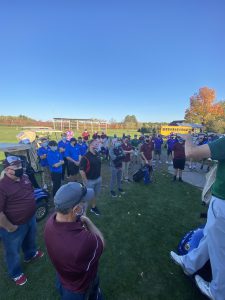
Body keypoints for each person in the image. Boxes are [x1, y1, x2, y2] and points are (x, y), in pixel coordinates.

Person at [170, 135, 225, 300]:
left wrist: (188, 138)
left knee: (219, 250)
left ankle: (218, 292)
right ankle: (189, 263)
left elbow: (192, 153)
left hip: (222, 202)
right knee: (210, 237)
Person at [44, 182, 104, 300]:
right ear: (76, 209)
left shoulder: (50, 223)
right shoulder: (84, 242)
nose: (85, 204)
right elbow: (101, 242)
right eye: (83, 202)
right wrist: (87, 221)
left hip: (63, 279)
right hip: (81, 288)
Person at [0, 156, 44, 286]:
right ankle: (15, 273)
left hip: (30, 218)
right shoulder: (2, 186)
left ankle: (30, 255)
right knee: (12, 251)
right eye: (16, 166)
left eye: (20, 165)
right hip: (13, 225)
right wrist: (9, 227)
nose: (20, 168)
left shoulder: (24, 177)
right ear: (7, 169)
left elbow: (30, 192)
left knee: (30, 240)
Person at [79, 140, 102, 216]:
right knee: (86, 198)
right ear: (90, 145)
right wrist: (86, 181)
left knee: (95, 195)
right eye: (96, 143)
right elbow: (81, 171)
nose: (97, 144)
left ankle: (93, 207)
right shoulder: (85, 157)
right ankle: (83, 214)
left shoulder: (97, 154)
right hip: (89, 181)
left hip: (98, 179)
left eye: (97, 143)